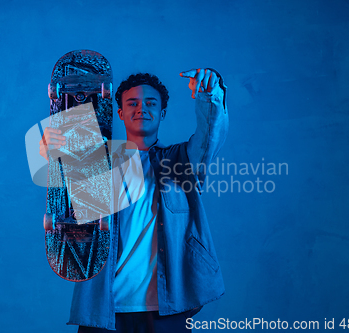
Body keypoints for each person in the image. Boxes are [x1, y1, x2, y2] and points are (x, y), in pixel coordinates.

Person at [40, 68, 229, 332]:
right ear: (120, 113)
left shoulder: (182, 162)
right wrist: (53, 153)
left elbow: (210, 136)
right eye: (133, 103)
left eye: (151, 103)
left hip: (167, 308)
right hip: (104, 308)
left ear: (162, 113)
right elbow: (70, 216)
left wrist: (211, 95)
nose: (142, 108)